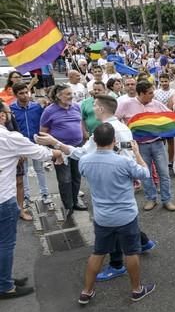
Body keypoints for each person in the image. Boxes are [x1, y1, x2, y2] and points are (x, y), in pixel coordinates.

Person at [38, 95, 158, 281]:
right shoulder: (121, 127)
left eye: (94, 105)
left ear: (101, 109)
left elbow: (82, 154)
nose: (92, 108)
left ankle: (117, 264)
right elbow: (128, 155)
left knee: (114, 223)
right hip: (120, 179)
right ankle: (143, 242)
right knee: (124, 218)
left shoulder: (106, 130)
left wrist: (55, 143)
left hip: (110, 180)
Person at [74, 123, 155, 305]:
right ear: (114, 140)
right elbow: (145, 173)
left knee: (98, 252)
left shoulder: (85, 161)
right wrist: (137, 153)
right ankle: (136, 289)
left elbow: (85, 173)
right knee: (131, 252)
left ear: (94, 140)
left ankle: (86, 291)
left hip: (102, 217)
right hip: (126, 215)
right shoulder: (123, 161)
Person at [0, 101, 62, 299]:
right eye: (9, 112)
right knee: (5, 244)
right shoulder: (8, 137)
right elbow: (39, 153)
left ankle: (4, 278)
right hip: (3, 198)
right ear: (2, 116)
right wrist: (57, 151)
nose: (11, 116)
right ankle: (5, 286)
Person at [115, 81, 175, 211]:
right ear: (141, 93)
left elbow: (171, 116)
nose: (153, 95)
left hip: (158, 144)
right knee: (145, 174)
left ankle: (167, 200)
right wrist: (124, 132)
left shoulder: (157, 104)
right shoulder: (126, 104)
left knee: (164, 174)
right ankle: (151, 199)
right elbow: (115, 120)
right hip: (139, 147)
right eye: (150, 93)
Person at [40, 84, 87, 214]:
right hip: (60, 150)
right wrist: (52, 150)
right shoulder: (49, 111)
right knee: (65, 179)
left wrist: (84, 134)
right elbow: (43, 132)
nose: (71, 96)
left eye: (71, 93)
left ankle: (75, 201)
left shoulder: (76, 107)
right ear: (58, 96)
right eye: (68, 94)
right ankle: (68, 206)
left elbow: (80, 122)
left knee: (76, 176)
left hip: (77, 147)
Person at [10, 83, 52, 212]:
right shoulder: (11, 109)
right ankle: (27, 197)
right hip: (21, 147)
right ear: (15, 95)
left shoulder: (36, 107)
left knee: (39, 169)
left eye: (26, 92)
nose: (25, 95)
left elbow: (43, 122)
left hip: (36, 144)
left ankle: (45, 194)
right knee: (24, 173)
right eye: (21, 93)